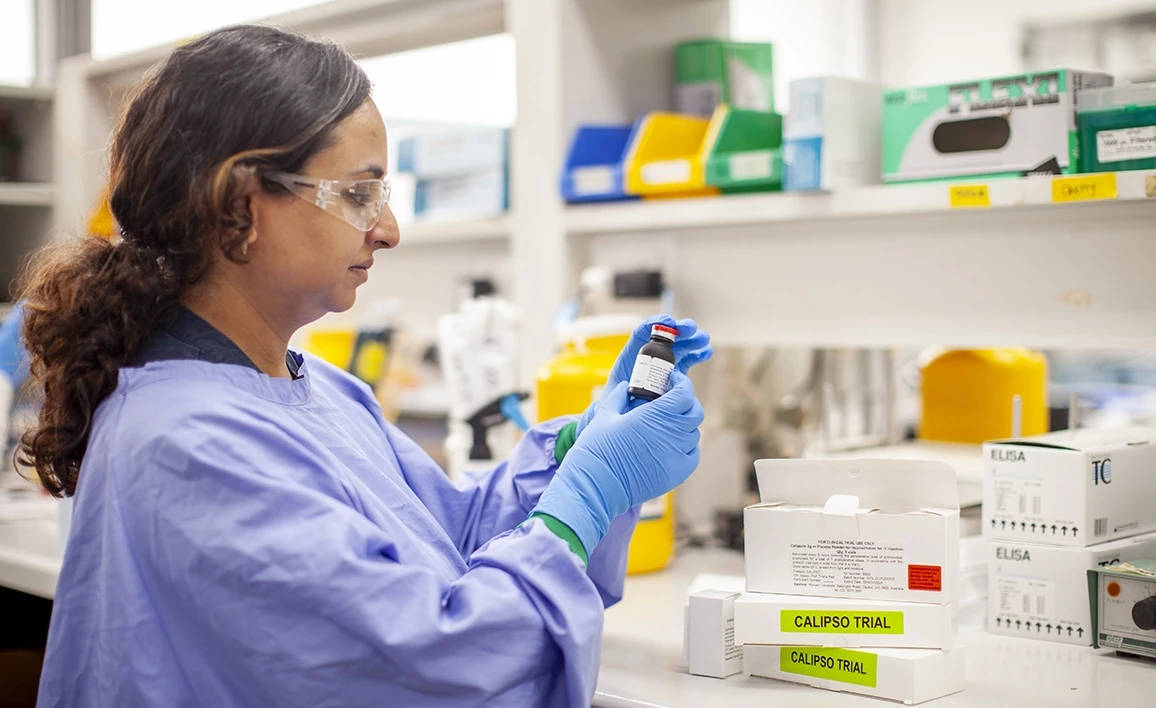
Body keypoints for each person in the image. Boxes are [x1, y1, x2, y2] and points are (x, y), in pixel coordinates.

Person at [23, 25, 712, 708]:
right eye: (359, 194)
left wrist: (574, 453)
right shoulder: (189, 445)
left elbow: (448, 540)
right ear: (241, 207)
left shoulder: (313, 390)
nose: (387, 230)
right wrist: (587, 496)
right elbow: (438, 672)